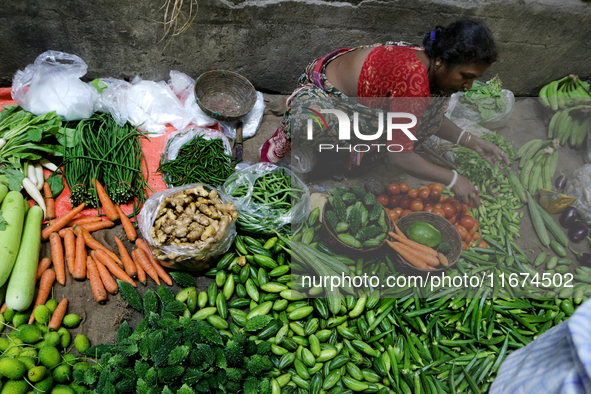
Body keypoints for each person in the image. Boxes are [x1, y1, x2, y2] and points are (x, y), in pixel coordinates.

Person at [260, 19, 510, 207]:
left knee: (425, 116)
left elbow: (429, 119)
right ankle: (282, 141)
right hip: (324, 92)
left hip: (367, 101)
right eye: (466, 76)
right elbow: (399, 157)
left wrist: (471, 141)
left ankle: (356, 146)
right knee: (308, 123)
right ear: (441, 62)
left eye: (474, 79)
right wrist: (454, 179)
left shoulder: (430, 66)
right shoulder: (413, 82)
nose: (468, 86)